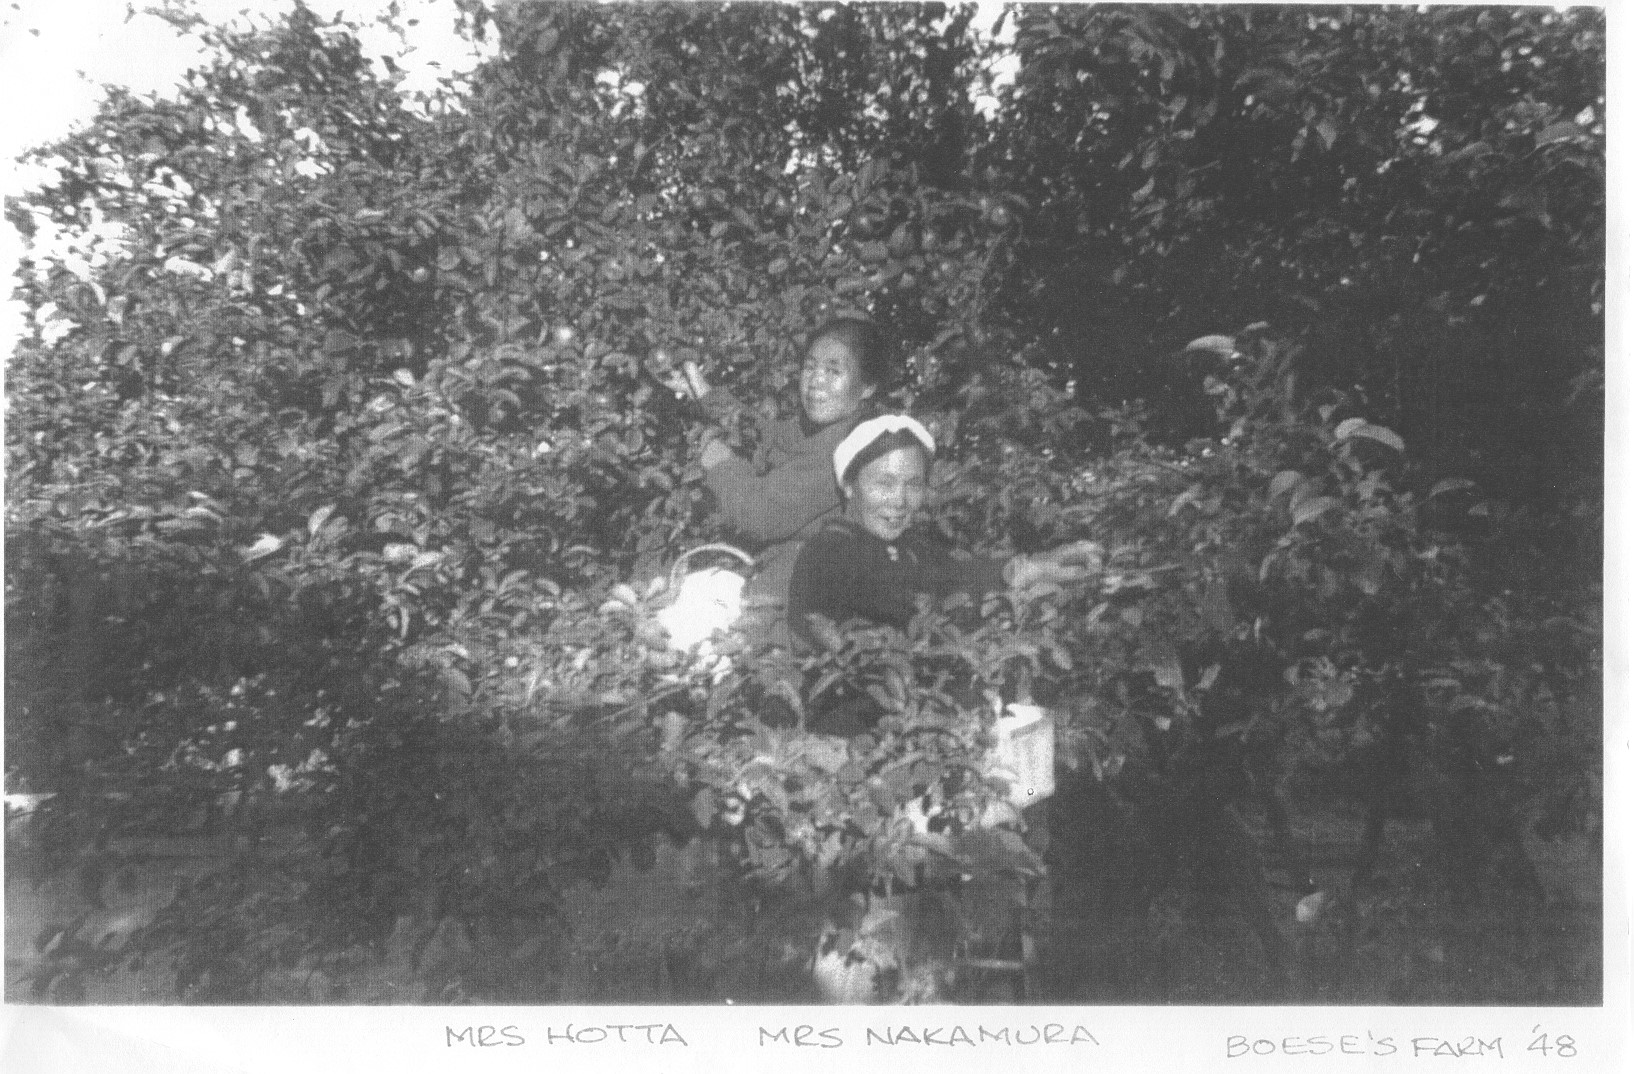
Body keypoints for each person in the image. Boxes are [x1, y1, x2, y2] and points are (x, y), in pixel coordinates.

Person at [787, 415, 1103, 735]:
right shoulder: (828, 550)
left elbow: (960, 572)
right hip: (853, 736)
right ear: (849, 485)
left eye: (913, 485)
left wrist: (1035, 565)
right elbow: (901, 599)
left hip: (913, 721)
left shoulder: (908, 546)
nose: (899, 500)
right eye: (884, 483)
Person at [676, 318, 895, 650]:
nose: (815, 382)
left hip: (791, 614)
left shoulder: (849, 450)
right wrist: (701, 389)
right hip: (772, 585)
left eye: (834, 372)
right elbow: (762, 432)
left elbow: (760, 516)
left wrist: (717, 460)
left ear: (867, 387)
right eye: (810, 368)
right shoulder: (824, 428)